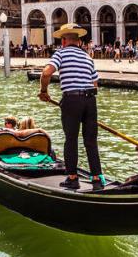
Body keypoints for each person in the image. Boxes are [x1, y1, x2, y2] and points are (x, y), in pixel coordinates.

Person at [38, 23, 104, 191]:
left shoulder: (61, 53)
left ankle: (72, 178)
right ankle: (96, 177)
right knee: (91, 141)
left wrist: (43, 91)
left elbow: (46, 73)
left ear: (64, 41)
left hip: (72, 100)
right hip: (90, 101)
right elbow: (95, 84)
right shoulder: (88, 57)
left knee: (71, 140)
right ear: (79, 42)